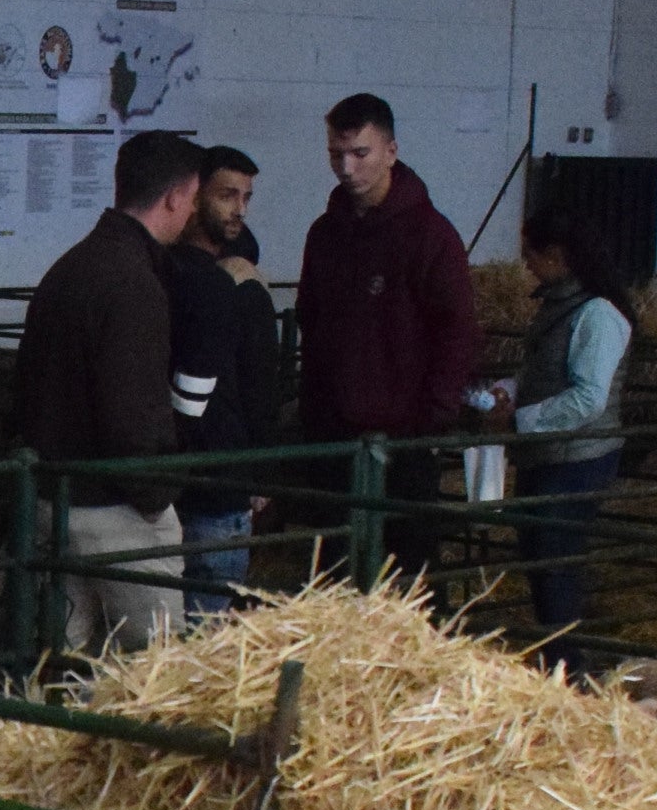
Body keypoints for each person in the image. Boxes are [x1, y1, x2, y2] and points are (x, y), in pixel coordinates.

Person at [10, 125, 202, 658]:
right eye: (192, 199)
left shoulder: (69, 268)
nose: (192, 214)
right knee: (155, 671)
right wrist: (157, 491)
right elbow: (132, 415)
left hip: (55, 496)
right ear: (174, 197)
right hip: (117, 511)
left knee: (63, 665)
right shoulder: (133, 284)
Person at [292, 91, 485, 582]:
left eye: (361, 153)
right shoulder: (325, 234)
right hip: (336, 436)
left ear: (391, 151)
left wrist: (430, 420)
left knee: (410, 574)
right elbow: (311, 321)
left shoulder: (431, 237)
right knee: (335, 569)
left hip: (405, 441)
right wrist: (314, 410)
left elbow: (457, 330)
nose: (346, 168)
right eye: (336, 154)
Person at [497, 210, 631, 647]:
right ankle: (559, 661)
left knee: (555, 561)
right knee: (542, 557)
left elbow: (589, 398)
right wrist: (510, 392)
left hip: (577, 459)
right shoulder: (561, 305)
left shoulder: (597, 314)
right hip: (549, 454)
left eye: (531, 254)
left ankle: (566, 668)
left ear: (556, 255)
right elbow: (545, 372)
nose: (527, 264)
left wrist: (521, 419)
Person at [164, 144, 279, 621]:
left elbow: (260, 381)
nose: (239, 210)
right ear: (193, 196)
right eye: (227, 195)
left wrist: (258, 470)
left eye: (246, 197)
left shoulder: (237, 282)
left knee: (201, 618)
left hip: (214, 474)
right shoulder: (183, 274)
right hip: (183, 479)